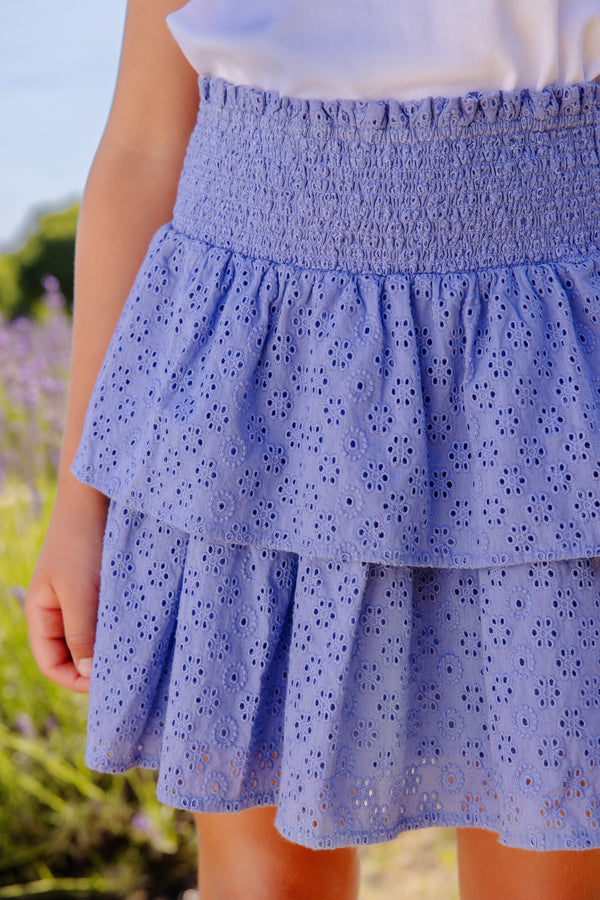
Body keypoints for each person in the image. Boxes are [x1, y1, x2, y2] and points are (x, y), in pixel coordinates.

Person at [24, 1, 600, 897]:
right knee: (266, 881)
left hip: (544, 361)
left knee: (554, 856)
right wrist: (79, 499)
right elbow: (143, 144)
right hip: (253, 372)